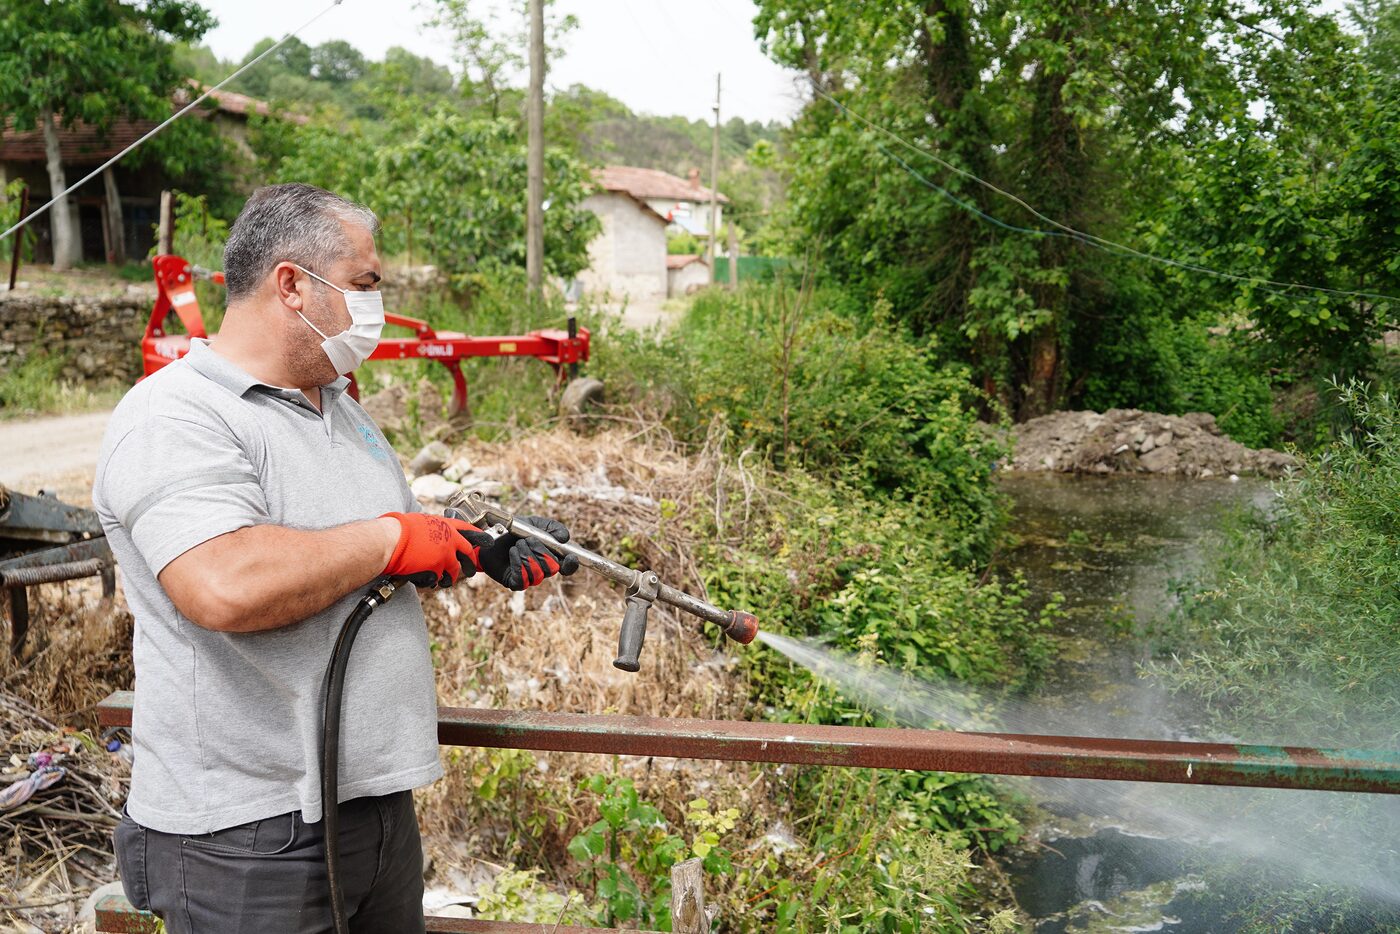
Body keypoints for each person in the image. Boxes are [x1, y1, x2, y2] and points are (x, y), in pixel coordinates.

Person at [93, 183, 577, 933]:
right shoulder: (176, 416)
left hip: (372, 810)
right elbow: (224, 584)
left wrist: (473, 550)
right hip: (248, 836)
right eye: (365, 284)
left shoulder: (341, 409)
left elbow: (348, 557)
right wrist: (393, 538)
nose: (376, 303)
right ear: (291, 284)